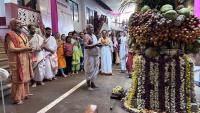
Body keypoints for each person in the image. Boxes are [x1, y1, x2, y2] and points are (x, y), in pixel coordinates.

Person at [4, 19, 33, 104]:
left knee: (25, 78)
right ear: (12, 25)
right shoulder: (10, 35)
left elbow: (26, 45)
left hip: (25, 59)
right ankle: (17, 98)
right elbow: (11, 48)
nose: (20, 25)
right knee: (18, 79)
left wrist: (29, 49)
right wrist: (26, 48)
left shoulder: (23, 35)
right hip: (17, 61)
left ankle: (25, 94)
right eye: (17, 23)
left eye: (20, 23)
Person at [84, 24, 101, 90]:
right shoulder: (86, 36)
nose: (92, 28)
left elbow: (94, 44)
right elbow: (86, 46)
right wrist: (96, 44)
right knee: (89, 70)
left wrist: (98, 45)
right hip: (90, 56)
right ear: (87, 29)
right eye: (90, 27)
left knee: (95, 70)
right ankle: (88, 85)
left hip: (95, 55)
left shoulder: (93, 36)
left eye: (93, 27)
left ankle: (93, 83)